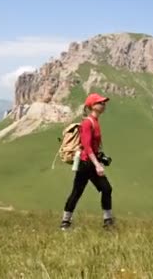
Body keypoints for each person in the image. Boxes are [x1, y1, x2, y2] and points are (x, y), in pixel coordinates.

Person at [60, 93, 114, 230]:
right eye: (100, 103)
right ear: (92, 106)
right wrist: (97, 165)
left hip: (91, 161)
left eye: (104, 103)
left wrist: (100, 158)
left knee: (106, 189)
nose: (103, 105)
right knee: (77, 192)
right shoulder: (87, 123)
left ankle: (108, 221)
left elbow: (94, 147)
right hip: (85, 163)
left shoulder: (96, 121)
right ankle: (65, 222)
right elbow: (87, 146)